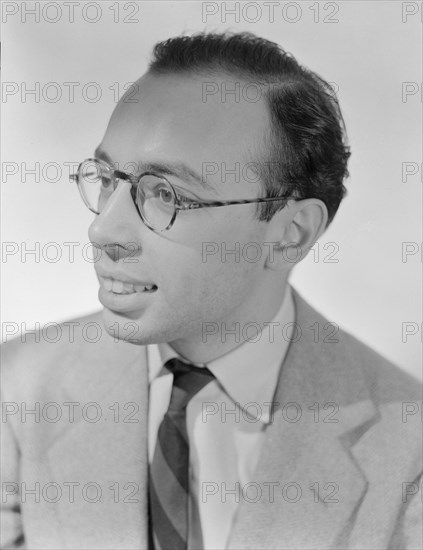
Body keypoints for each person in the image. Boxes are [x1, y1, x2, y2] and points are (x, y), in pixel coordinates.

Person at [1, 31, 421, 550]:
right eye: (108, 178)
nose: (103, 231)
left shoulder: (410, 454)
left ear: (290, 233)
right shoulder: (16, 394)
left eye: (166, 194)